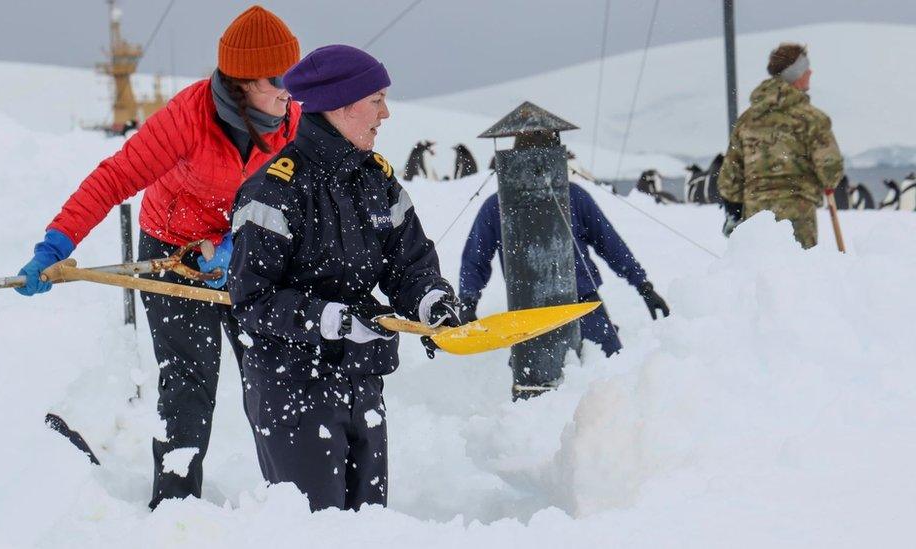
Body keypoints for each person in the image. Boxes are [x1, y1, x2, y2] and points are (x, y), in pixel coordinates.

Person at [14, 6, 302, 509]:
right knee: (189, 383)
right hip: (173, 251)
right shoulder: (188, 118)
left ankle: (291, 505)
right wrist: (56, 244)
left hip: (248, 255)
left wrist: (237, 247)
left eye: (293, 76)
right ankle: (175, 509)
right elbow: (114, 178)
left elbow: (300, 203)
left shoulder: (293, 125)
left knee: (272, 372)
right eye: (278, 78)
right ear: (241, 83)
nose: (288, 89)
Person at [228, 45, 461, 511]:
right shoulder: (274, 190)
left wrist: (431, 300)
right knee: (315, 531)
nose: (385, 113)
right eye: (375, 99)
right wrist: (329, 319)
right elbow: (251, 301)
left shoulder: (378, 179)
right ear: (338, 105)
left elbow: (409, 263)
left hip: (362, 379)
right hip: (291, 387)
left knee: (368, 528)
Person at [459, 183, 669, 357]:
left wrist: (643, 285)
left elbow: (610, 245)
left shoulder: (498, 204)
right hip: (544, 314)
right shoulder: (570, 196)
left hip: (559, 310)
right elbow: (610, 244)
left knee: (601, 374)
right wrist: (468, 302)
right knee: (604, 378)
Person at [719, 43, 844, 249]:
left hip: (756, 218)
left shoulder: (747, 120)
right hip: (798, 215)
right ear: (795, 75)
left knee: (761, 275)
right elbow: (830, 170)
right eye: (806, 68)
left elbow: (729, 179)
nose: (810, 72)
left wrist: (737, 207)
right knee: (798, 274)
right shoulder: (812, 119)